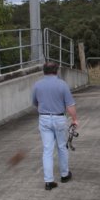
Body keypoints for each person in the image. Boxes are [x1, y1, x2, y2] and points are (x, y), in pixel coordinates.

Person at [31, 61, 78, 190]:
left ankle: (48, 181)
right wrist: (74, 119)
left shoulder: (37, 85)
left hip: (44, 118)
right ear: (56, 71)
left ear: (44, 71)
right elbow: (70, 105)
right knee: (62, 147)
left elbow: (35, 102)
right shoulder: (62, 85)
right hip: (59, 118)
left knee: (47, 149)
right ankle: (64, 175)